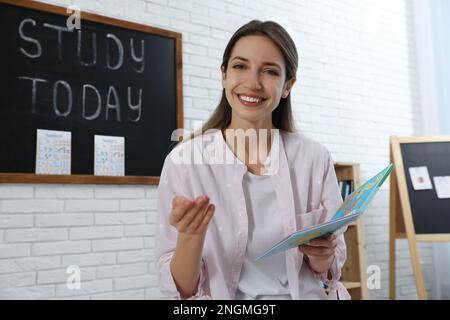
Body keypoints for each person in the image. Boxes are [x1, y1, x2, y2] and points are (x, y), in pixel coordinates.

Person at [155, 20, 351, 300]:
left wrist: (323, 256)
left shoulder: (314, 158)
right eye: (239, 66)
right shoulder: (185, 162)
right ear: (223, 75)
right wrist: (190, 237)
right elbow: (183, 292)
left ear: (287, 86)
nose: (253, 82)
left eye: (270, 71)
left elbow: (328, 272)